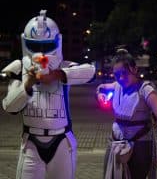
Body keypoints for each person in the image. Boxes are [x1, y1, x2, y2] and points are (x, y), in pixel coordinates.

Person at [1, 10, 95, 179]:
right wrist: (27, 84)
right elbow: (9, 106)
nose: (41, 53)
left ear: (57, 42)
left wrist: (57, 75)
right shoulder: (19, 68)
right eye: (36, 46)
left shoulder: (64, 67)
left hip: (62, 141)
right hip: (31, 142)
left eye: (47, 45)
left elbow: (91, 72)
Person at [96, 49, 157, 179]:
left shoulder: (146, 89)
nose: (120, 78)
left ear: (135, 69)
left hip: (139, 146)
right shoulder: (117, 85)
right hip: (115, 143)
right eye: (116, 74)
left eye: (124, 73)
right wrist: (100, 95)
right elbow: (101, 87)